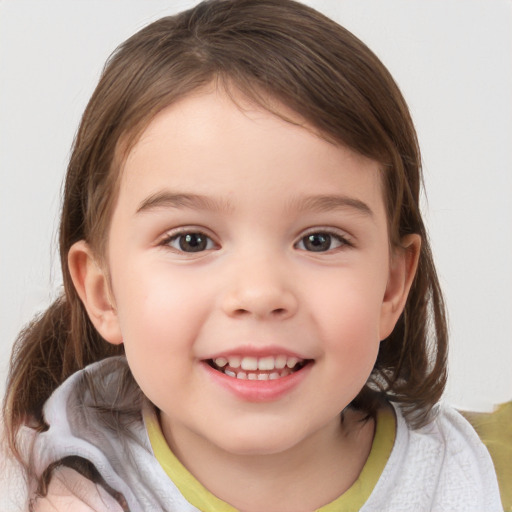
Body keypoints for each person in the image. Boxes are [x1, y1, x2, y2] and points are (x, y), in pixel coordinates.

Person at [1, 0, 502, 510]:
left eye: (319, 240)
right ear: (102, 294)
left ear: (392, 286)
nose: (260, 294)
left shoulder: (486, 480)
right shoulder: (30, 488)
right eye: (191, 240)